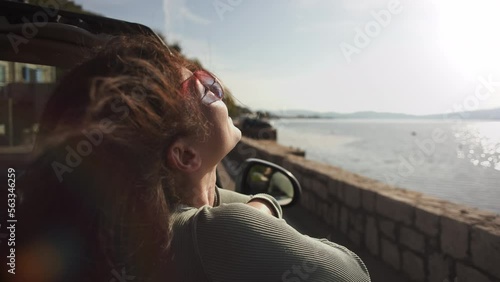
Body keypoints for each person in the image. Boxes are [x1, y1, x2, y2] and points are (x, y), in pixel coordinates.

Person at [15, 35, 371, 282]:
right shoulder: (220, 232)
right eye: (207, 89)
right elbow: (354, 273)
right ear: (186, 154)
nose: (220, 91)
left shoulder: (135, 230)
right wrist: (264, 206)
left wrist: (237, 200)